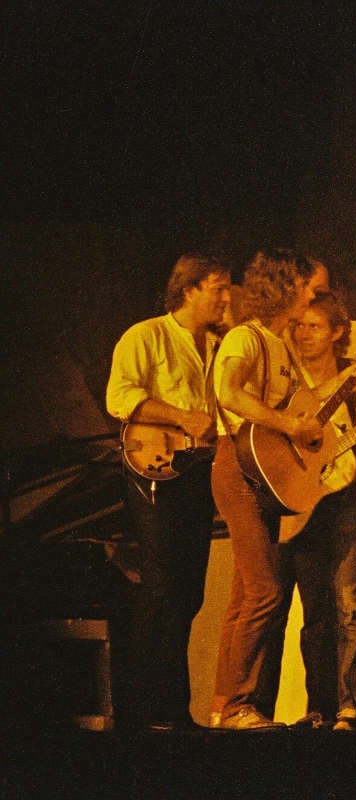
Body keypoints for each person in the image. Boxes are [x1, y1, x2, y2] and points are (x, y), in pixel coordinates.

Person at [209, 248, 336, 730]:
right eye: (305, 286)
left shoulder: (281, 346)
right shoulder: (247, 337)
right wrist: (287, 422)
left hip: (262, 471)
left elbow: (294, 415)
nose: (312, 294)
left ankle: (227, 704)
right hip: (236, 466)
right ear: (285, 287)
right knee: (264, 591)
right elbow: (229, 391)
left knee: (246, 594)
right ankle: (238, 704)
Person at [105, 254, 232, 731]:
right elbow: (120, 398)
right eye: (218, 288)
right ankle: (143, 709)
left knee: (188, 590)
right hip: (155, 467)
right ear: (189, 289)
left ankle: (170, 709)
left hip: (199, 470)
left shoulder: (220, 345)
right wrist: (181, 417)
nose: (226, 297)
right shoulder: (146, 336)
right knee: (162, 583)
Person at [254, 289, 356, 731]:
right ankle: (319, 705)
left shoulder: (353, 379)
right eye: (299, 325)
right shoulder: (285, 383)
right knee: (314, 612)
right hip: (301, 501)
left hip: (346, 497)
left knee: (350, 603)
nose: (303, 333)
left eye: (314, 326)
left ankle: (351, 705)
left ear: (337, 333)